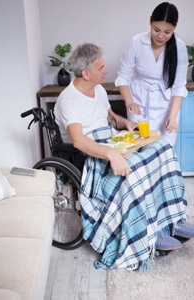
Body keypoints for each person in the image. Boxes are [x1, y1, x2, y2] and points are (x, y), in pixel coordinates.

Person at [54, 43, 194, 271]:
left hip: (112, 141)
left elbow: (108, 117)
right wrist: (111, 154)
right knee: (136, 168)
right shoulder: (68, 100)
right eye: (101, 67)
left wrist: (125, 122)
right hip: (93, 154)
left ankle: (172, 220)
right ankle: (148, 235)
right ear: (86, 73)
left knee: (163, 150)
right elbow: (79, 141)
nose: (106, 70)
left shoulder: (97, 89)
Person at [115, 2, 188, 147]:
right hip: (139, 104)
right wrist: (130, 102)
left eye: (167, 32)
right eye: (156, 30)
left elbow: (179, 86)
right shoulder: (136, 42)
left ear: (174, 28)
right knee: (138, 148)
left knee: (164, 150)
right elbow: (123, 77)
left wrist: (172, 117)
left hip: (166, 108)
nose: (161, 36)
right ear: (150, 21)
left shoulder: (179, 47)